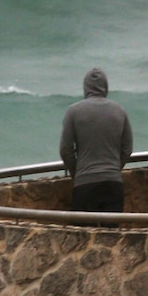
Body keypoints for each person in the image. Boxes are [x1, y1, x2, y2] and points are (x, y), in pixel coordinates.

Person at [59, 68, 133, 219]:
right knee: (111, 236)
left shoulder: (73, 111)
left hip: (85, 185)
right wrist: (114, 168)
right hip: (113, 184)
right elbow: (127, 148)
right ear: (106, 86)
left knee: (84, 239)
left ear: (85, 87)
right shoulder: (120, 111)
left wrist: (77, 172)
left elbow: (66, 149)